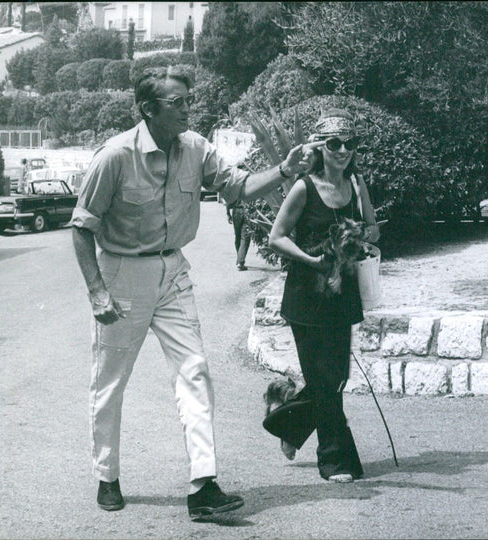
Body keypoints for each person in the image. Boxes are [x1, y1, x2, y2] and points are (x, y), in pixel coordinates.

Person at [71, 66, 315, 520]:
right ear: (148, 109)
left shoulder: (196, 148)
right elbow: (82, 227)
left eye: (189, 100)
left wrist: (285, 169)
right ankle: (107, 475)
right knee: (110, 381)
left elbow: (238, 188)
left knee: (195, 371)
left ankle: (203, 487)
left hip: (173, 271)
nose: (188, 108)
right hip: (122, 275)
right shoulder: (115, 156)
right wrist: (97, 292)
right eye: (177, 102)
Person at [267, 108, 380, 483]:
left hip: (342, 294)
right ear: (320, 147)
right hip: (306, 296)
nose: (343, 150)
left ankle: (288, 419)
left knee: (337, 377)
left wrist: (360, 238)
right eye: (334, 143)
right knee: (324, 380)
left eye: (350, 143)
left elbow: (373, 229)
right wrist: (310, 259)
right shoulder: (304, 187)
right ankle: (334, 461)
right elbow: (276, 237)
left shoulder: (355, 184)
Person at [227, 199, 251, 271]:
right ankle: (240, 261)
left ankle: (240, 259)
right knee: (245, 237)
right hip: (247, 211)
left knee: (238, 236)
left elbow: (229, 198)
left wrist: (228, 213)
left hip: (236, 211)